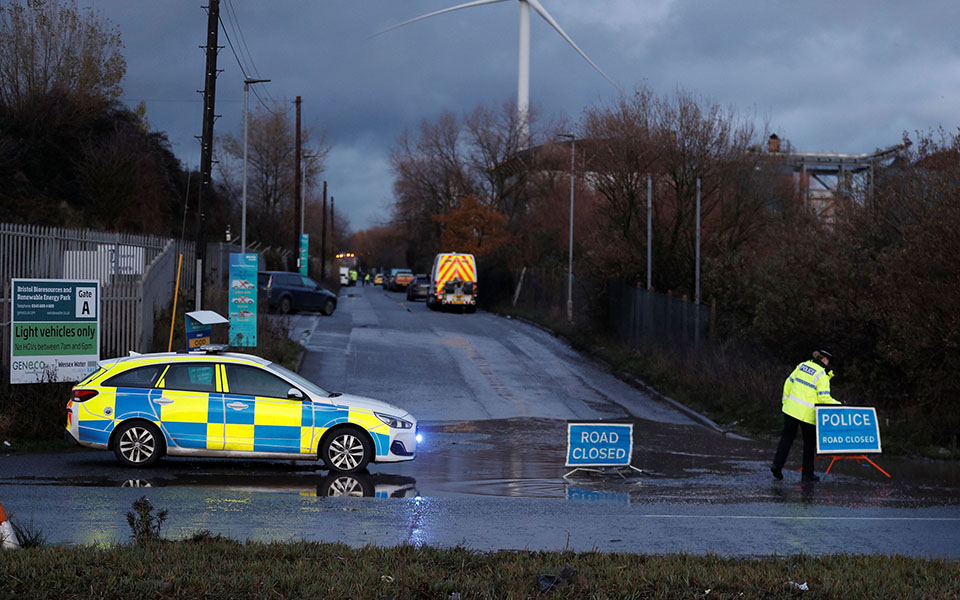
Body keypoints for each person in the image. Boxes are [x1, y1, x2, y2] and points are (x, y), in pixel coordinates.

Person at [770, 348, 841, 483]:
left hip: (791, 409)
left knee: (786, 439)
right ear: (825, 359)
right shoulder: (821, 374)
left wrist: (786, 402)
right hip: (808, 415)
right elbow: (824, 398)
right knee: (809, 444)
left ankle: (777, 466)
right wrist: (839, 405)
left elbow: (788, 383)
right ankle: (807, 474)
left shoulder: (802, 365)